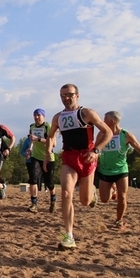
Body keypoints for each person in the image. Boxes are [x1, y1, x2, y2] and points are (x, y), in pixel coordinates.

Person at [45, 84, 113, 249]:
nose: (66, 98)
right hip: (69, 158)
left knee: (84, 201)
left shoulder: (87, 113)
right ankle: (69, 235)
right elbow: (50, 135)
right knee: (66, 192)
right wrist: (48, 153)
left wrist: (96, 150)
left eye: (69, 95)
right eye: (62, 96)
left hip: (87, 158)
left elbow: (108, 132)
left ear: (77, 95)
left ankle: (92, 193)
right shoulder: (57, 117)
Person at [96, 111, 140, 229]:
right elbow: (95, 151)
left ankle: (119, 220)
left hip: (121, 170)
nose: (102, 122)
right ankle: (113, 189)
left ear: (112, 121)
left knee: (123, 196)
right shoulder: (101, 134)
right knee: (104, 199)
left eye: (105, 119)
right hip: (105, 170)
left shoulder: (125, 135)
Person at [26, 109, 57, 213]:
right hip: (35, 156)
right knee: (33, 179)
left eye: (39, 115)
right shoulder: (32, 126)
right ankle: (34, 204)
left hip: (48, 157)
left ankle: (53, 200)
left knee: (49, 182)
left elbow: (54, 144)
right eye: (35, 115)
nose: (36, 117)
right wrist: (30, 148)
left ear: (43, 116)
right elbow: (32, 140)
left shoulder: (48, 126)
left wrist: (38, 139)